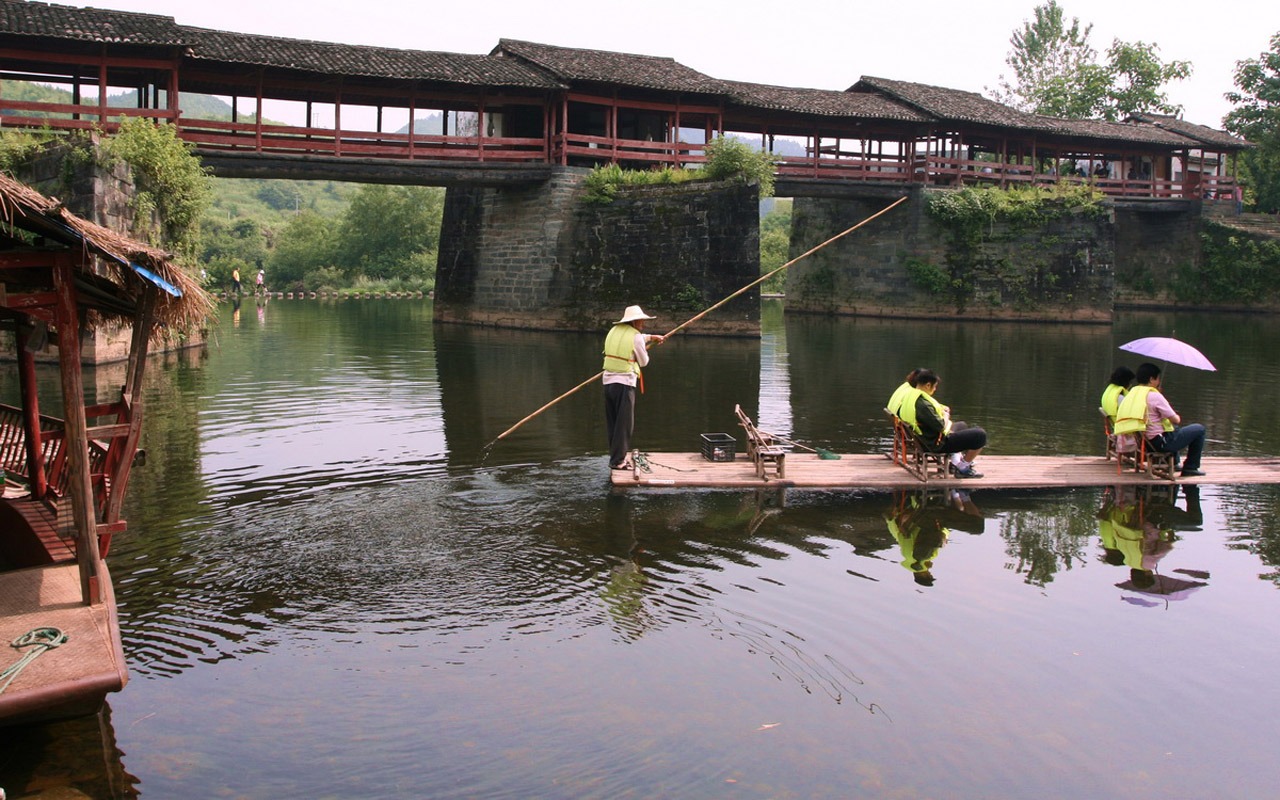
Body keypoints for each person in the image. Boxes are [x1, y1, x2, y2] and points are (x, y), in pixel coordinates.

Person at [1113, 362, 1207, 478]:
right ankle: (1190, 467)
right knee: (1199, 429)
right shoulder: (1154, 396)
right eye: (1158, 378)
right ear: (1152, 379)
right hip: (1159, 443)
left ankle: (1176, 462)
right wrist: (1162, 400)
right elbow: (1176, 419)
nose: (1158, 382)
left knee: (1175, 430)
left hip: (1144, 442)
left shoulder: (1132, 394)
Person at [602, 305, 666, 470]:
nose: (643, 324)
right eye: (642, 321)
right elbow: (644, 362)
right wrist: (645, 347)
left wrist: (651, 337)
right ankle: (618, 461)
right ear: (635, 321)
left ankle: (616, 457)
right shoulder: (635, 336)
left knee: (614, 423)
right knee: (624, 424)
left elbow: (635, 338)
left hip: (608, 383)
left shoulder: (613, 331)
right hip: (625, 383)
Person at [898, 368, 988, 478]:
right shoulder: (923, 405)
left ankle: (955, 462)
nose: (935, 389)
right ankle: (963, 468)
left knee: (961, 425)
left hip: (924, 440)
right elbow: (941, 426)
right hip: (936, 444)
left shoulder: (910, 397)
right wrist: (945, 415)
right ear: (927, 385)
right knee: (980, 435)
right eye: (934, 386)